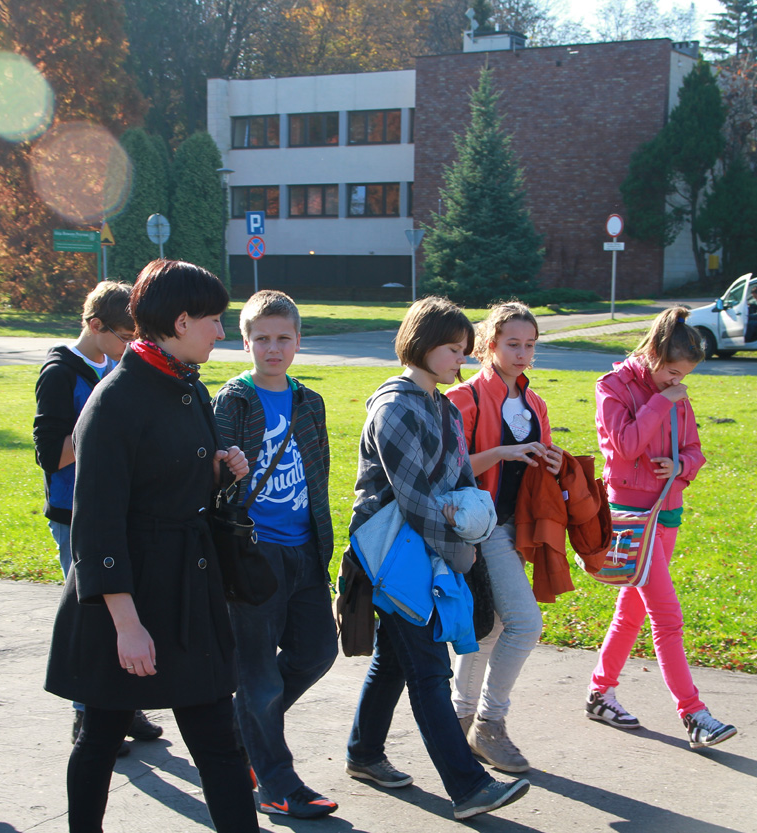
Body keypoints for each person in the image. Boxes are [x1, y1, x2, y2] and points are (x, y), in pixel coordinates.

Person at [44, 260, 256, 833]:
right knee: (100, 737)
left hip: (189, 589)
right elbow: (96, 524)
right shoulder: (114, 400)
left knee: (219, 742)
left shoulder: (187, 383)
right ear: (181, 321)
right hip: (128, 599)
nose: (221, 331)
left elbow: (170, 480)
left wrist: (220, 470)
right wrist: (127, 625)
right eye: (213, 320)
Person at [344, 296, 531, 821]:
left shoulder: (444, 407)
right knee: (429, 670)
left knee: (394, 660)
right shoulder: (395, 407)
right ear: (422, 345)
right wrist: (462, 552)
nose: (461, 359)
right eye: (452, 349)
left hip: (428, 552)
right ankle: (469, 788)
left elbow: (463, 485)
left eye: (464, 349)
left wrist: (473, 524)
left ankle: (363, 754)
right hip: (393, 556)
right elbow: (416, 500)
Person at [585, 307, 737, 749]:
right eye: (672, 372)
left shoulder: (674, 393)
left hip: (668, 513)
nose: (678, 382)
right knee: (667, 617)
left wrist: (681, 465)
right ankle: (693, 713)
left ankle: (599, 692)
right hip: (633, 517)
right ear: (653, 353)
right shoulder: (613, 387)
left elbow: (695, 450)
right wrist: (662, 401)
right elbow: (625, 447)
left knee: (631, 611)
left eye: (684, 376)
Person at [213, 290, 338, 818]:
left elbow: (318, 476)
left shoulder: (310, 401)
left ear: (298, 342)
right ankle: (277, 784)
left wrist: (320, 545)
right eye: (262, 338)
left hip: (304, 549)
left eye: (283, 338)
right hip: (252, 554)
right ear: (246, 343)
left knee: (318, 651)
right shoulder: (232, 401)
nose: (273, 348)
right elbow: (213, 480)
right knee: (260, 676)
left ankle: (242, 731)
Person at [32, 281, 161, 747]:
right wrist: (101, 425)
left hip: (119, 510)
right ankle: (86, 715)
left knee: (127, 612)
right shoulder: (59, 373)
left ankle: (124, 708)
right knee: (94, 616)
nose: (130, 347)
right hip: (74, 514)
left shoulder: (114, 365)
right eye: (125, 337)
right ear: (94, 324)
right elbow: (50, 454)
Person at [445, 302, 562, 773]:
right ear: (489, 345)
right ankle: (490, 724)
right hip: (483, 526)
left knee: (491, 628)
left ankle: (458, 723)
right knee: (525, 624)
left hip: (520, 527)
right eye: (513, 344)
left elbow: (543, 464)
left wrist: (554, 462)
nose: (522, 354)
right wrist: (501, 453)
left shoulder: (536, 404)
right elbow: (448, 470)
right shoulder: (465, 398)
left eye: (529, 345)